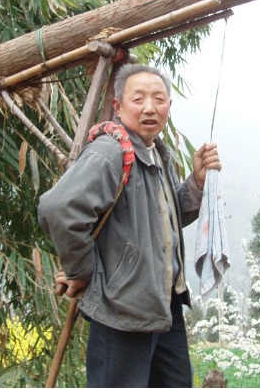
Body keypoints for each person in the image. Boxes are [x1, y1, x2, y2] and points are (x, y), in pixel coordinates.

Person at [38, 63, 222, 387]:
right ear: (118, 106)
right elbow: (59, 209)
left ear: (169, 106)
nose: (150, 108)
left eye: (159, 99)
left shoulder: (154, 152)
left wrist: (197, 181)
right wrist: (83, 273)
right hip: (123, 312)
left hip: (164, 307)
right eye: (138, 99)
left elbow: (165, 219)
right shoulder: (110, 152)